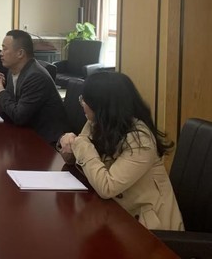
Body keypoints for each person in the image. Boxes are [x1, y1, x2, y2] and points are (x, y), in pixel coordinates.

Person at [58, 72, 183, 231]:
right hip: (117, 216)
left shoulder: (140, 140)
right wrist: (68, 144)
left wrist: (80, 144)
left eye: (85, 99)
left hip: (150, 229)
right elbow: (79, 159)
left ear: (101, 105)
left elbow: (107, 187)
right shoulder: (97, 122)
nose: (82, 103)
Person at [0, 29, 68, 144]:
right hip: (25, 131)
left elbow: (18, 116)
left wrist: (1, 89)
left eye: (5, 49)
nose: (1, 53)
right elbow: (9, 105)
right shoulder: (12, 70)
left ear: (20, 53)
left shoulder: (35, 76)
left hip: (45, 141)